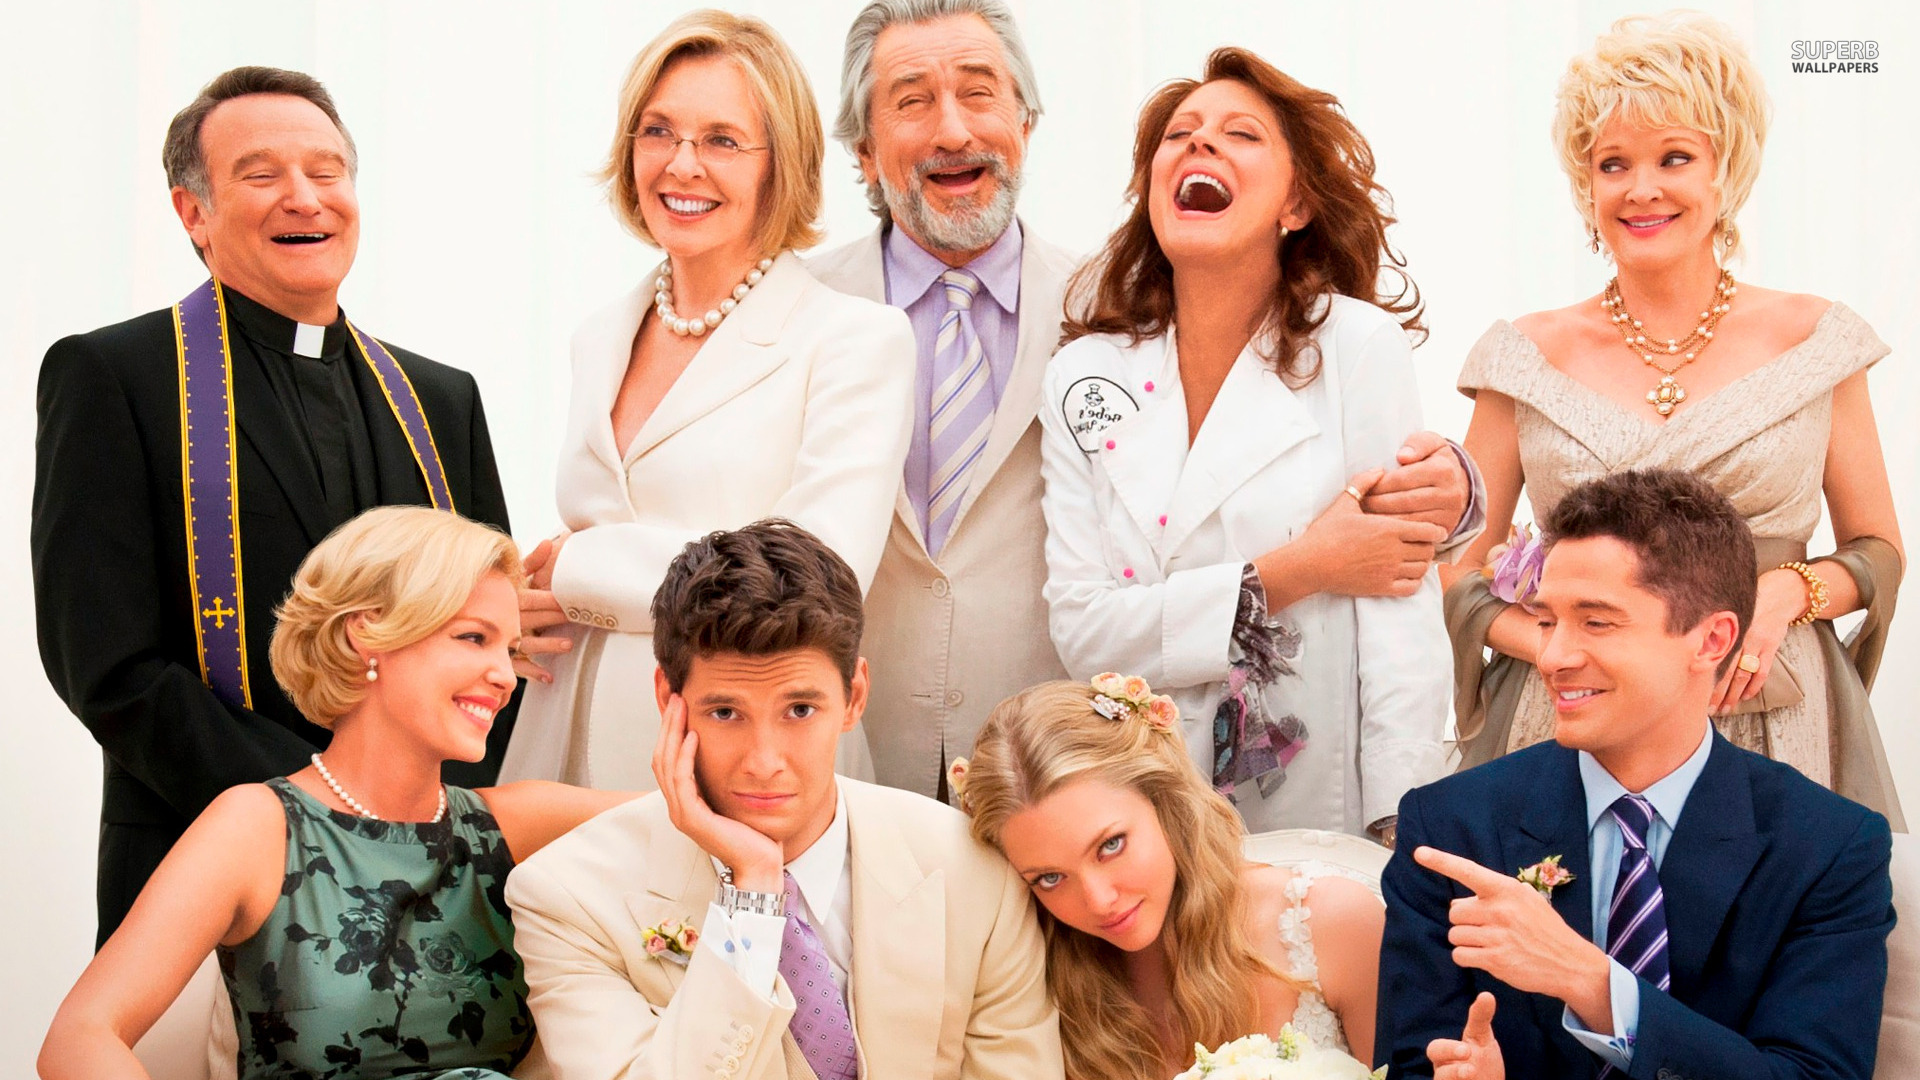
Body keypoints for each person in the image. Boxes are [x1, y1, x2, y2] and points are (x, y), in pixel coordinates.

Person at [809, 0, 1480, 805]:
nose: (952, 129)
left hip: (1071, 773)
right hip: (858, 747)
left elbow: (1394, 562)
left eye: (979, 92)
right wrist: (1302, 567)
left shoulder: (1097, 301)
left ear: (1025, 122)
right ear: (863, 150)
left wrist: (1456, 491)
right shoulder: (805, 309)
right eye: (913, 100)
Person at [32, 65, 517, 948]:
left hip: (429, 861)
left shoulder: (442, 400)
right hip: (204, 849)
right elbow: (103, 661)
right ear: (194, 212)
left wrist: (431, 812)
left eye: (327, 171)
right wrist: (320, 806)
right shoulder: (116, 377)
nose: (305, 196)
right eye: (262, 175)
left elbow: (493, 637)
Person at [1443, 12, 1905, 829]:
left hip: (1768, 709)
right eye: (1612, 163)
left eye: (1675, 157)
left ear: (1727, 169)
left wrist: (1781, 594)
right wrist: (1563, 646)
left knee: (1775, 907)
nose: (1641, 188)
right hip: (1569, 716)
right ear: (1586, 184)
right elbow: (1460, 568)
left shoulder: (1816, 342)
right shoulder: (1523, 357)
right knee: (1556, 905)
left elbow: (1877, 550)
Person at [39, 507, 631, 1079]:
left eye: (510, 648)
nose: (504, 676)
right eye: (474, 637)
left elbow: (680, 817)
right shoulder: (255, 828)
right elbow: (79, 1037)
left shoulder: (519, 823)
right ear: (367, 632)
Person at [1041, 47, 1454, 838]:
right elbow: (1085, 635)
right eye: (1179, 134)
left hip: (1314, 808)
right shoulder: (1083, 374)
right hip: (1135, 802)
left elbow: (1399, 607)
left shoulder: (1357, 347)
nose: (1200, 142)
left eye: (1241, 134)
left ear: (1294, 204)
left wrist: (1401, 815)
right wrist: (1300, 569)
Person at [499, 11, 914, 792]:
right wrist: (514, 605)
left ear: (778, 165)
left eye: (722, 140)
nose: (682, 165)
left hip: (745, 768)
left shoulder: (855, 339)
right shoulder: (599, 335)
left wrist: (577, 572)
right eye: (658, 132)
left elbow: (813, 577)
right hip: (561, 750)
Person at [1378, 470, 1895, 1080]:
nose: (1553, 656)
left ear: (1712, 640)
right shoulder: (1448, 828)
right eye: (1546, 621)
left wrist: (1591, 982)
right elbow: (1410, 1063)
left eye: (1596, 622)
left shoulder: (1829, 848)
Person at [505, 520, 1061, 1080]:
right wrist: (752, 896)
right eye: (726, 712)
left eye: (800, 710)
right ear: (668, 699)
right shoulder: (566, 898)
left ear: (854, 696)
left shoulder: (974, 869)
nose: (764, 761)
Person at [953, 677, 1385, 1080]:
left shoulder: (1331, 925)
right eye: (1050, 878)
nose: (1099, 900)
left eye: (1110, 845)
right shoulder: (1031, 980)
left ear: (1165, 801)